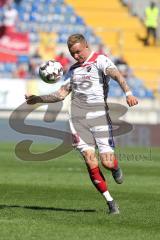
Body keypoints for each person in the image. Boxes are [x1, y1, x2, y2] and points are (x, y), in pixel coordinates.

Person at [25, 34, 138, 214]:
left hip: (99, 117)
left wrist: (128, 93)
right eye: (72, 53)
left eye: (78, 51)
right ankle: (110, 202)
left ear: (86, 46)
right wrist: (38, 99)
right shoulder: (73, 70)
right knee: (89, 159)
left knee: (107, 163)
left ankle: (115, 167)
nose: (76, 56)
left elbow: (116, 75)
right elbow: (61, 94)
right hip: (78, 120)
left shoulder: (100, 60)